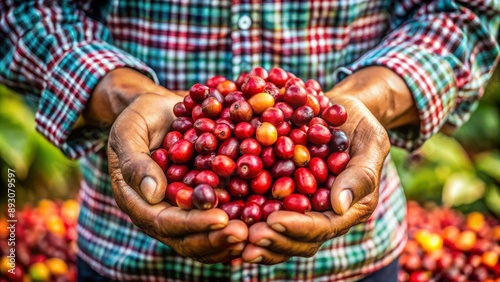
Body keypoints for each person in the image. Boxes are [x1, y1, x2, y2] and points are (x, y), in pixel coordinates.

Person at [1, 0, 499, 281]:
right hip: (129, 256)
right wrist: (118, 94)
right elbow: (24, 11)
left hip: (352, 261)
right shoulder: (237, 133)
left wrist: (371, 98)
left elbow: (463, 13)